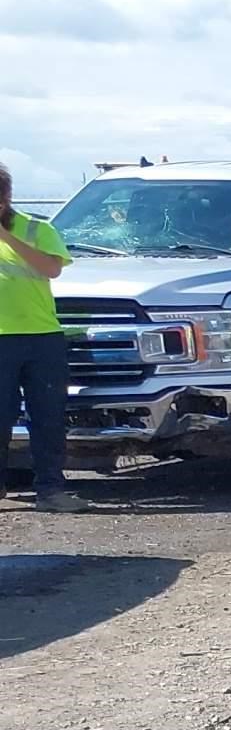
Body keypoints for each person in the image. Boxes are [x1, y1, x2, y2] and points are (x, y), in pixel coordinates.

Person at [0, 163, 87, 512]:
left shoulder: (37, 229)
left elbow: (51, 268)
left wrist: (6, 236)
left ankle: (51, 490)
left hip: (41, 337)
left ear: (6, 197)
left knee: (48, 416)